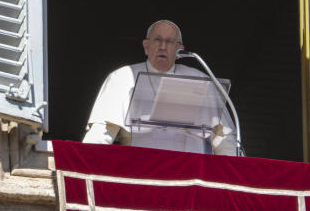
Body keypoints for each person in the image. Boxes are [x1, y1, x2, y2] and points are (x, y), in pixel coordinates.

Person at [82, 20, 236, 155]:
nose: (163, 46)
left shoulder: (201, 80)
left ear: (179, 50)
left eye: (169, 41)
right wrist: (85, 162)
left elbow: (225, 138)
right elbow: (101, 133)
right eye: (157, 40)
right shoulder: (123, 78)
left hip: (191, 177)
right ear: (146, 46)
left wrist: (233, 177)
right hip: (142, 173)